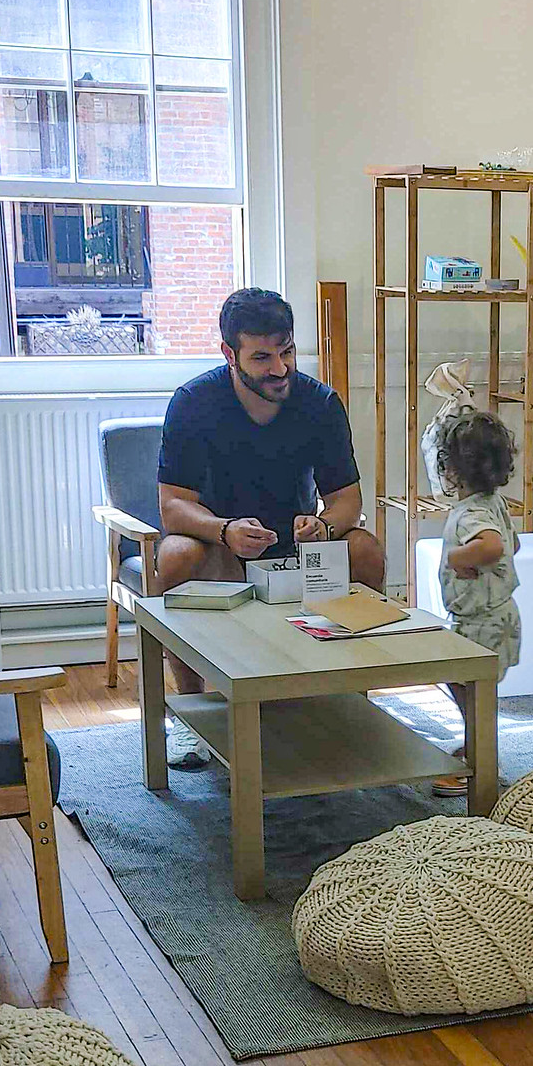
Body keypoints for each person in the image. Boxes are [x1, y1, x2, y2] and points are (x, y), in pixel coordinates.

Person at [154, 287, 386, 767]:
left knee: (365, 549)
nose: (280, 369)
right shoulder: (194, 402)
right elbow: (173, 507)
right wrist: (224, 530)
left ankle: (353, 698)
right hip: (220, 541)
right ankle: (191, 714)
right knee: (175, 554)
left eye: (288, 351)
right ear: (229, 355)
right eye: (262, 357)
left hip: (298, 547)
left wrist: (323, 527)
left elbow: (347, 501)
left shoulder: (320, 403)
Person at [428, 411, 520, 796]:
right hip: (498, 616)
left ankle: (479, 765)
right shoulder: (494, 502)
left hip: (480, 622)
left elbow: (495, 545)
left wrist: (457, 558)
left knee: (469, 688)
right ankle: (477, 746)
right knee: (472, 690)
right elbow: (513, 545)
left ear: (450, 471)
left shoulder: (472, 513)